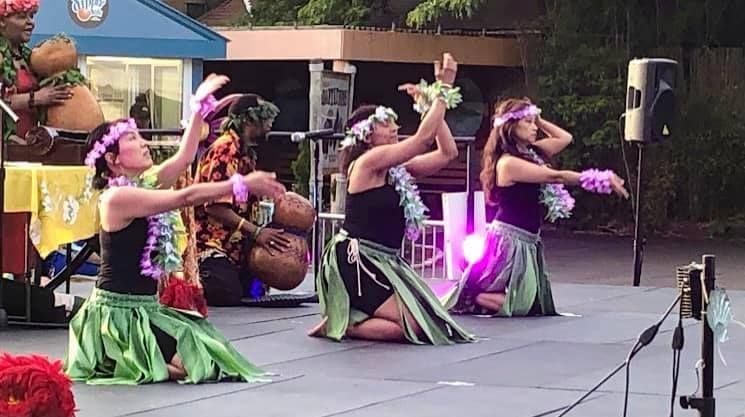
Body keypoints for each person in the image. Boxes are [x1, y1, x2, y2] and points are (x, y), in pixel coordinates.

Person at [64, 75, 285, 385]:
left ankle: (129, 358)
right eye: (132, 140)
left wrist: (198, 108)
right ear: (113, 160)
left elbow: (183, 157)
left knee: (207, 357)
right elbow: (186, 196)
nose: (143, 143)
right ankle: (112, 356)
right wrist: (240, 183)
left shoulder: (145, 183)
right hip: (118, 316)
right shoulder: (118, 198)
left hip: (147, 308)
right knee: (188, 368)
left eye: (140, 136)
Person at [308, 53, 475, 344]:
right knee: (413, 326)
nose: (395, 129)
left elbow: (447, 153)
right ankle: (344, 322)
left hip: (385, 260)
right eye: (387, 125)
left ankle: (352, 314)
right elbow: (422, 140)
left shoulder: (396, 170)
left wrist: (429, 104)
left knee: (428, 321)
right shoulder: (368, 162)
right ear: (367, 135)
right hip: (357, 259)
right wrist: (444, 89)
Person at [445, 98, 629, 317]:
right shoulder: (509, 163)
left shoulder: (533, 152)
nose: (534, 128)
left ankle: (482, 296)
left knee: (533, 305)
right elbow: (555, 176)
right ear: (511, 127)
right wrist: (601, 179)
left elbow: (564, 138)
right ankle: (473, 295)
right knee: (526, 306)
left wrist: (539, 119)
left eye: (534, 122)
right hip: (510, 240)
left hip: (529, 239)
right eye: (528, 122)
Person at [194, 93, 292, 306]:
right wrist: (257, 232)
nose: (269, 126)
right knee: (227, 292)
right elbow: (215, 207)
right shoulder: (224, 149)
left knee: (254, 290)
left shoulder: (245, 153)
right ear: (249, 120)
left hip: (237, 245)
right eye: (265, 120)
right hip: (211, 244)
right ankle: (189, 278)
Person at [0, 0, 71, 142]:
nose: (30, 22)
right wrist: (36, 98)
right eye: (21, 17)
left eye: (31, 16)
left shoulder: (30, 57)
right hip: (5, 147)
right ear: (2, 21)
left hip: (31, 145)